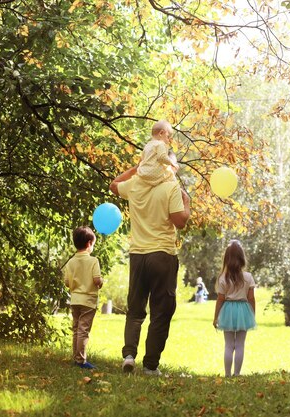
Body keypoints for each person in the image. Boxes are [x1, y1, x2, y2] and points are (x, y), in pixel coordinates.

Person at [109, 124, 191, 376]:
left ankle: (129, 355)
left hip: (138, 256)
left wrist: (137, 167)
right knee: (161, 312)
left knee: (135, 310)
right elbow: (180, 221)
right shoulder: (171, 187)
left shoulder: (134, 184)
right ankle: (150, 366)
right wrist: (187, 204)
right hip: (162, 255)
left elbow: (113, 185)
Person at [213, 240, 256, 377]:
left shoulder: (223, 278)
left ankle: (227, 374)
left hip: (228, 310)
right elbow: (251, 298)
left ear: (226, 259)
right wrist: (252, 314)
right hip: (243, 310)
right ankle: (237, 373)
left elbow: (220, 299)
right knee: (240, 345)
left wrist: (216, 317)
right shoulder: (248, 277)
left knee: (228, 345)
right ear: (242, 258)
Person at [63, 226, 103, 370]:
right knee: (83, 330)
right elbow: (97, 280)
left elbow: (67, 282)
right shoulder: (93, 261)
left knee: (76, 329)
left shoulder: (70, 262)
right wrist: (101, 282)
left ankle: (76, 357)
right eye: (93, 244)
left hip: (74, 301)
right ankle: (81, 360)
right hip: (88, 301)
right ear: (88, 244)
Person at [136, 120, 179, 186]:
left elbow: (142, 159)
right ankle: (174, 187)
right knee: (170, 174)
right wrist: (172, 163)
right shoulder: (160, 144)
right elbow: (162, 157)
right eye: (168, 137)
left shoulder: (148, 145)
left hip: (143, 174)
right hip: (153, 174)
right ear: (161, 133)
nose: (168, 141)